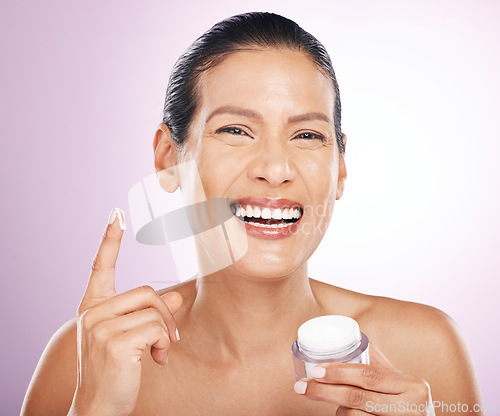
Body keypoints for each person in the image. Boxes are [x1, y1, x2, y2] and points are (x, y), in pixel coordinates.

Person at [21, 12, 483, 416]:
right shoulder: (84, 358)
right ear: (168, 158)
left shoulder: (426, 352)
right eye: (236, 130)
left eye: (307, 136)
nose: (276, 169)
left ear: (340, 168)